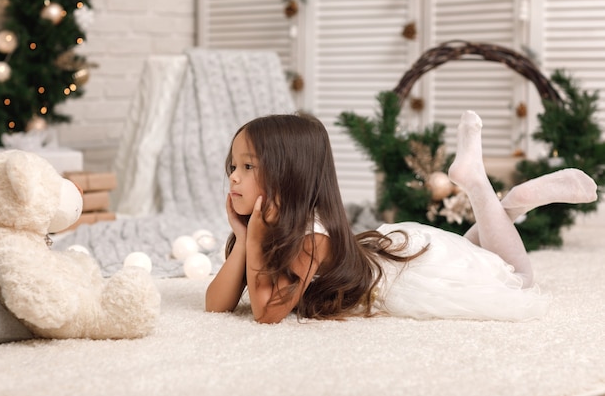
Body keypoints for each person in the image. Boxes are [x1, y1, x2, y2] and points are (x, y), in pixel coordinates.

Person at [205, 111, 598, 323]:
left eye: (248, 167)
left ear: (287, 174)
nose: (233, 176)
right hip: (393, 252)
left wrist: (252, 238)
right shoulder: (270, 229)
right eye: (233, 165)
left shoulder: (311, 238)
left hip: (407, 271)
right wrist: (242, 236)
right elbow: (216, 305)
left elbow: (267, 313)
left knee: (517, 279)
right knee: (473, 250)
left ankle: (480, 187)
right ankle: (506, 208)